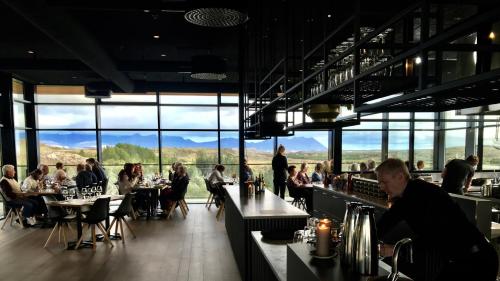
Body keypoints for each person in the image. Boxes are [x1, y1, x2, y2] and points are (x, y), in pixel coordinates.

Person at [376, 158, 498, 280]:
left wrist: (395, 250)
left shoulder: (423, 194)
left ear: (400, 177)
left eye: (384, 182)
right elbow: (383, 225)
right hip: (460, 260)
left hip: (477, 260)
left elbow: (435, 237)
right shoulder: (405, 198)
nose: (381, 187)